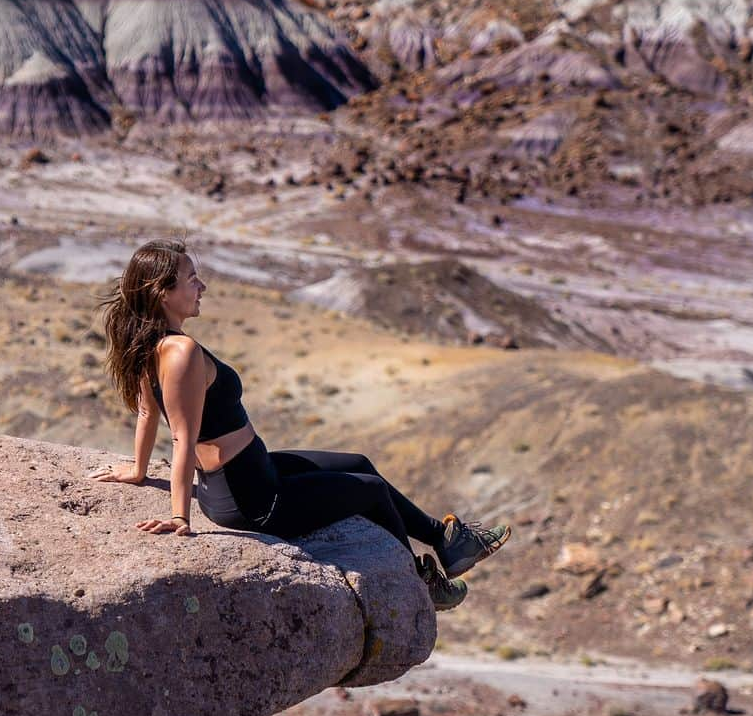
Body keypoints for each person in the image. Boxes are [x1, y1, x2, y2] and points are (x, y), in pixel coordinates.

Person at [89, 239, 509, 610]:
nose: (202, 287)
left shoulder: (151, 343)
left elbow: (147, 413)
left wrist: (138, 471)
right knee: (372, 492)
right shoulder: (180, 352)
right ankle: (420, 583)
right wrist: (180, 517)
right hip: (253, 500)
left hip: (254, 475)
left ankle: (447, 541)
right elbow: (182, 437)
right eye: (192, 279)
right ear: (163, 293)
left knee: (358, 462)